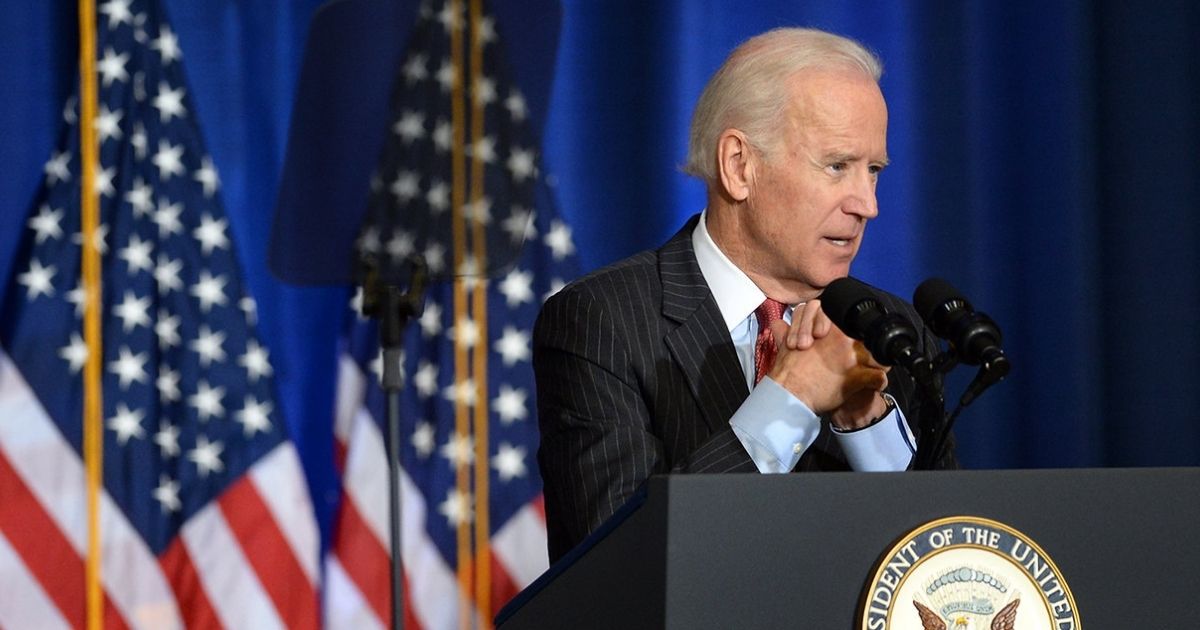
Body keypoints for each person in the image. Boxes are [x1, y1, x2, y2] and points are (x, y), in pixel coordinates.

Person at [533, 27, 956, 563]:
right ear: (739, 166)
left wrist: (866, 424)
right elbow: (614, 566)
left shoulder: (891, 328)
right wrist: (791, 399)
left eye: (873, 171)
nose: (867, 204)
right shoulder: (602, 321)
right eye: (837, 166)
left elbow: (945, 559)